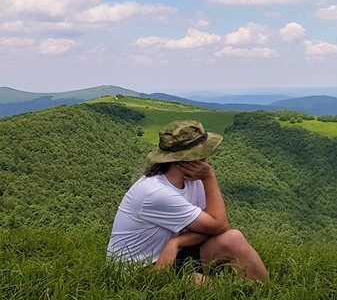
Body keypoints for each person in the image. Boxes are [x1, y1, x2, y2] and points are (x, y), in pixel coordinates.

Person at [107, 120, 269, 282]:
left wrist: (176, 242)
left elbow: (213, 229)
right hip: (138, 271)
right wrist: (209, 176)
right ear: (186, 158)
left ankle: (264, 296)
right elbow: (219, 224)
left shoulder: (192, 180)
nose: (206, 158)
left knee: (234, 238)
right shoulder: (157, 193)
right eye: (202, 153)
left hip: (171, 255)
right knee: (208, 289)